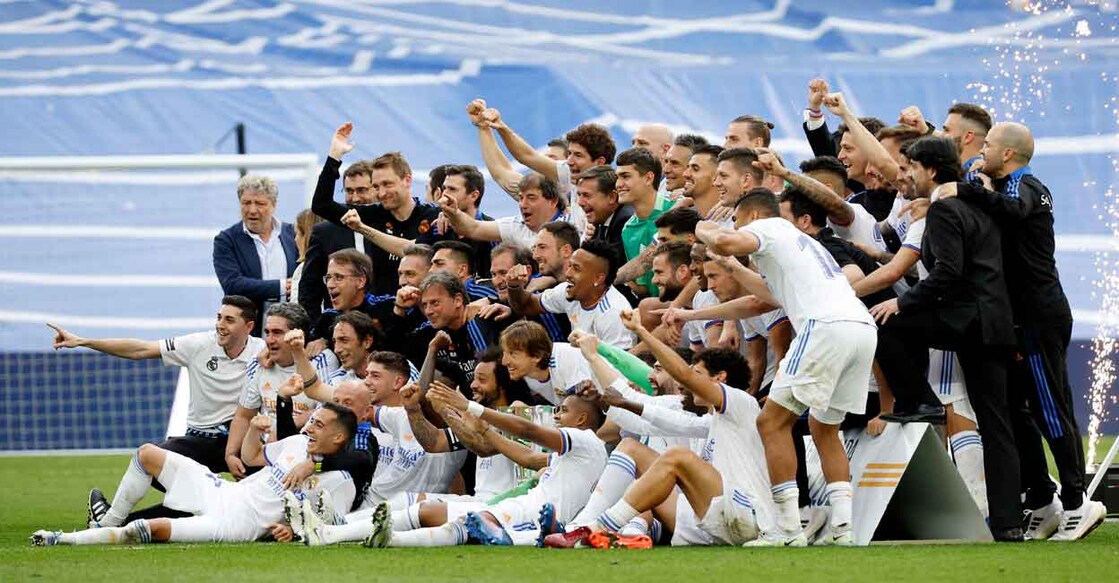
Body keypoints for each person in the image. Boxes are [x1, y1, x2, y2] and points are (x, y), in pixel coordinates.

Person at [696, 189, 878, 546]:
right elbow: (763, 298)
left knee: (771, 421)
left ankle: (788, 529)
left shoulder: (772, 226)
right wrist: (730, 272)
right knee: (824, 426)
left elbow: (727, 240)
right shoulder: (799, 245)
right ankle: (843, 529)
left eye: (737, 220)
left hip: (822, 327)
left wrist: (705, 228)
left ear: (750, 217)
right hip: (859, 327)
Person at [952, 122, 1105, 541]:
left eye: (988, 147)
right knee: (1019, 411)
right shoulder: (998, 184)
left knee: (1049, 407)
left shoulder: (1028, 186)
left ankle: (1078, 501)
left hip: (1040, 315)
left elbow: (1015, 212)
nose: (981, 153)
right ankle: (1043, 499)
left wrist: (967, 189)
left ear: (1009, 154)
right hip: (1017, 317)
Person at [868, 136, 1023, 541]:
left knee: (887, 324)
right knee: (997, 424)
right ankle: (1008, 524)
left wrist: (903, 304)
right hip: (995, 325)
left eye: (912, 167)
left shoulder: (944, 209)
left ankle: (919, 400)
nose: (906, 175)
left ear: (932, 170)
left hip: (966, 322)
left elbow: (948, 274)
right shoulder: (978, 207)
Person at [548, 309, 772, 549]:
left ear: (720, 378)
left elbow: (676, 381)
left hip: (747, 515)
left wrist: (640, 331)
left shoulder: (741, 403)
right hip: (710, 523)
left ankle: (599, 528)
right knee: (633, 449)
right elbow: (657, 414)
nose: (685, 383)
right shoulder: (709, 421)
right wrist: (597, 364)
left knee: (676, 457)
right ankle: (589, 528)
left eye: (697, 375)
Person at [32, 403, 359, 546]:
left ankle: (64, 539)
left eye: (319, 424)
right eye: (312, 420)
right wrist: (252, 434)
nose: (309, 426)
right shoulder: (297, 443)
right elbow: (253, 458)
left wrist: (291, 529)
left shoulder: (340, 481)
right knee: (148, 454)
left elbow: (330, 526)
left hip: (235, 525)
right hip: (225, 491)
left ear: (339, 437)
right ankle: (106, 524)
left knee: (151, 528)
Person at [355, 388, 607, 548]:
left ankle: (379, 537)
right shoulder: (574, 454)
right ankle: (344, 532)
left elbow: (525, 432)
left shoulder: (581, 439)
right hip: (517, 506)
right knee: (428, 511)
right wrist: (481, 426)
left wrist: (470, 409)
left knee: (452, 519)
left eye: (562, 410)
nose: (555, 415)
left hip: (529, 515)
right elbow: (529, 458)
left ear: (582, 419)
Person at [49, 296, 265, 479]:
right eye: (219, 318)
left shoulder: (263, 350)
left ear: (249, 327)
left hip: (241, 441)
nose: (220, 325)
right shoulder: (198, 344)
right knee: (149, 467)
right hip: (199, 440)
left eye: (229, 320)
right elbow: (140, 350)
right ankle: (118, 520)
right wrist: (83, 341)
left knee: (273, 479)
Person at [311, 123, 441, 295]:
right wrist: (335, 156)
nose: (381, 193)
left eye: (387, 184)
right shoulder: (374, 214)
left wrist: (363, 228)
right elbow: (322, 205)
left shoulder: (434, 215)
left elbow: (411, 249)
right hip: (384, 312)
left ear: (407, 180)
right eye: (376, 186)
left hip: (426, 309)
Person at [227, 304, 338, 467]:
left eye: (277, 333)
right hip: (266, 454)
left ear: (297, 335)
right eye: (267, 332)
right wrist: (231, 454)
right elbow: (244, 415)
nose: (270, 340)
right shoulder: (257, 363)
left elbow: (332, 413)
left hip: (306, 454)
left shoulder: (321, 361)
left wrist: (292, 421)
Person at [505, 239, 636, 350]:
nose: (568, 273)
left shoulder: (613, 314)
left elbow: (619, 370)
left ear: (598, 279)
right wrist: (514, 286)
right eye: (570, 266)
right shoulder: (568, 291)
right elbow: (526, 306)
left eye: (576, 269)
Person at [212, 174, 297, 335]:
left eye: (260, 203)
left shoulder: (293, 234)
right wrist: (282, 286)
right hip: (247, 337)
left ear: (274, 204)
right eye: (246, 203)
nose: (252, 210)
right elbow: (232, 285)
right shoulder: (226, 240)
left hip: (289, 334)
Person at [298, 160, 378, 327]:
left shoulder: (387, 228)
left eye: (362, 190)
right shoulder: (324, 232)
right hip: (337, 328)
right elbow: (309, 289)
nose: (355, 198)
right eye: (349, 191)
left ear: (376, 189)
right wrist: (315, 333)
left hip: (383, 323)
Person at [616, 147, 673, 297]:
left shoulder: (676, 208)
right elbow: (643, 288)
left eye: (625, 176)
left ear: (648, 178)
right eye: (618, 177)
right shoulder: (628, 229)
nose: (618, 184)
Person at [498, 321, 596, 405]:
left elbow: (582, 413)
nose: (504, 362)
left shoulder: (566, 359)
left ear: (537, 356)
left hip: (603, 416)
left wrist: (531, 415)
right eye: (504, 353)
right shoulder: (527, 373)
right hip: (570, 417)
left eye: (513, 354)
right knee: (514, 410)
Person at [575, 166, 633, 249]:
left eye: (586, 195)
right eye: (579, 195)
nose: (580, 202)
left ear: (612, 197)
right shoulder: (600, 220)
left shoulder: (625, 222)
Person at [431, 240, 499, 302]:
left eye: (439, 264)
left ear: (461, 270)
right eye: (431, 265)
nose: (431, 270)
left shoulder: (482, 294)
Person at [289, 208, 324, 305]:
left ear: (308, 236)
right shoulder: (337, 266)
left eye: (298, 234)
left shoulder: (303, 270)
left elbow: (297, 313)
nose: (295, 239)